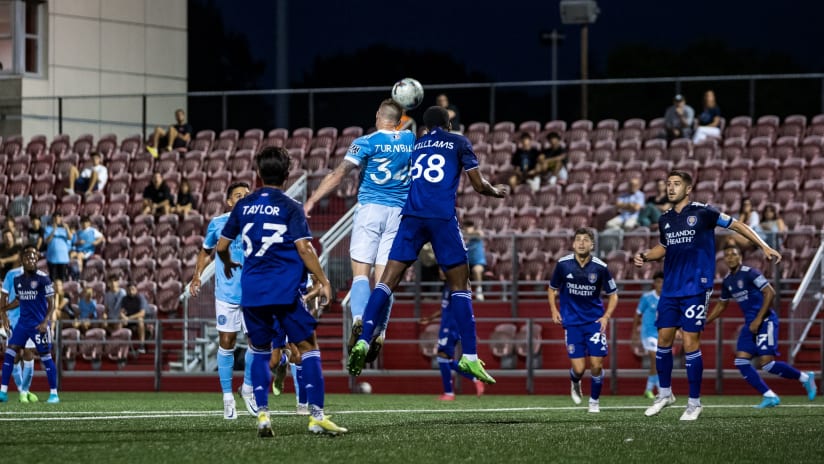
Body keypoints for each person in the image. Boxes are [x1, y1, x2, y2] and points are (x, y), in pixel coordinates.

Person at [347, 106, 507, 385]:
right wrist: (495, 191)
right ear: (448, 123)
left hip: (411, 217)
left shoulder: (417, 144)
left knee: (386, 282)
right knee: (461, 286)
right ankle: (469, 356)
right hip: (441, 218)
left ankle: (363, 339)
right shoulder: (459, 141)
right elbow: (478, 185)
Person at [216, 146, 346, 437]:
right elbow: (304, 247)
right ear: (288, 174)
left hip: (251, 292)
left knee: (260, 352)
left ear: (258, 174)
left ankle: (263, 415)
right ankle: (316, 417)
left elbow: (222, 247)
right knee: (309, 346)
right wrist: (322, 279)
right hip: (285, 291)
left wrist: (226, 264)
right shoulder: (290, 206)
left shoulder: (243, 205)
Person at [633, 170, 781, 421]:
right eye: (668, 184)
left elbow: (737, 224)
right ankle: (665, 394)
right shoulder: (665, 219)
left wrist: (764, 246)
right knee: (664, 340)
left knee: (691, 342)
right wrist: (646, 255)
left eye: (676, 184)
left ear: (688, 189)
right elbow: (664, 248)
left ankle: (694, 403)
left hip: (696, 287)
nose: (670, 188)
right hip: (671, 287)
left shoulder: (704, 212)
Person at [303, 99, 415, 360]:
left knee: (361, 276)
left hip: (370, 210)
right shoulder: (410, 139)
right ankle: (381, 331)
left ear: (378, 116)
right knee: (385, 281)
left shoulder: (366, 142)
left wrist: (312, 199)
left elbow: (339, 174)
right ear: (400, 120)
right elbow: (408, 129)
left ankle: (357, 319)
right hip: (399, 214)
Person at [706, 244, 816, 408]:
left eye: (733, 254)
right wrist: (705, 321)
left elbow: (770, 292)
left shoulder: (751, 273)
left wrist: (758, 319)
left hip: (765, 320)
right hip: (750, 324)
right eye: (727, 255)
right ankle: (770, 396)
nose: (730, 257)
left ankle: (805, 378)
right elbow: (722, 305)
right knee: (741, 362)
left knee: (768, 364)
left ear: (740, 257)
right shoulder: (728, 281)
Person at [190, 181, 259, 420]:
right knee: (227, 342)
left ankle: (248, 390)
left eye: (246, 195)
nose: (243, 198)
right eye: (238, 195)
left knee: (257, 343)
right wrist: (196, 275)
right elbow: (205, 250)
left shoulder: (257, 223)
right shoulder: (218, 223)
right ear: (229, 201)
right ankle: (227, 398)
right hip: (227, 294)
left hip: (254, 294)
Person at [548, 228, 618, 413]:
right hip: (571, 323)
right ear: (573, 244)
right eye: (578, 240)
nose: (581, 243)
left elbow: (613, 294)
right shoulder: (563, 265)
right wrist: (554, 309)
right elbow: (551, 288)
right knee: (579, 369)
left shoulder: (600, 267)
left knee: (596, 364)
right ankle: (575, 381)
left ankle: (594, 402)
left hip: (594, 322)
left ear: (592, 245)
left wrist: (606, 316)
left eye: (585, 240)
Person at [0, 245, 60, 404]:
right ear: (22, 260)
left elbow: (51, 303)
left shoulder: (43, 278)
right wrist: (3, 310)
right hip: (22, 324)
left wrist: (46, 321)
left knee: (45, 356)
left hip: (38, 325)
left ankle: (54, 393)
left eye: (34, 257)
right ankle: (4, 392)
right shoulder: (17, 279)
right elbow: (18, 300)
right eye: (28, 257)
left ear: (37, 259)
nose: (31, 260)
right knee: (10, 353)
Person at [418, 273, 485, 400]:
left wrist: (466, 330)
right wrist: (430, 318)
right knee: (445, 359)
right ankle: (475, 379)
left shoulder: (455, 286)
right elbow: (445, 308)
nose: (440, 272)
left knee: (442, 356)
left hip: (450, 327)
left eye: (443, 269)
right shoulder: (447, 287)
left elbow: (463, 308)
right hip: (446, 326)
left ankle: (449, 393)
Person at [0, 257, 38, 403]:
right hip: (14, 320)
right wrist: (3, 316)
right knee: (15, 355)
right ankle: (22, 390)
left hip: (31, 321)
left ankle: (24, 391)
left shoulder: (39, 277)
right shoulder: (12, 274)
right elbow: (4, 296)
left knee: (28, 353)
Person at [631, 271, 664, 399]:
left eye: (663, 282)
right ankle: (661, 390)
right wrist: (634, 333)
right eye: (658, 282)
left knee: (658, 362)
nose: (661, 284)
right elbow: (637, 315)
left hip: (661, 334)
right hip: (648, 333)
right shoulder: (647, 297)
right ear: (654, 283)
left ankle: (649, 389)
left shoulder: (668, 298)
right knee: (656, 360)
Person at [117, 282, 147, 353]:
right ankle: (119, 345)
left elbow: (142, 313)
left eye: (133, 289)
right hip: (127, 320)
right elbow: (121, 311)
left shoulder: (140, 298)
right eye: (129, 289)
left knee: (140, 320)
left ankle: (142, 345)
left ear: (136, 290)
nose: (131, 291)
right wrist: (123, 317)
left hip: (135, 318)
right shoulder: (124, 299)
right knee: (120, 321)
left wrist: (129, 318)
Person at [44, 212, 73, 282]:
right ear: (53, 219)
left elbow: (70, 238)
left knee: (62, 279)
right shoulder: (48, 229)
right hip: (52, 258)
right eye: (55, 217)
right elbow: (47, 241)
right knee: (52, 279)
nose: (57, 219)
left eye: (59, 217)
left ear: (61, 219)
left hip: (63, 258)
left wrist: (67, 228)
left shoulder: (65, 230)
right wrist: (53, 230)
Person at [463, 221, 487, 301]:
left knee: (476, 270)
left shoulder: (477, 234)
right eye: (466, 226)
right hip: (466, 263)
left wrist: (467, 234)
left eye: (469, 226)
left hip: (478, 263)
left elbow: (480, 234)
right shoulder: (462, 238)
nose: (467, 228)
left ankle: (479, 292)